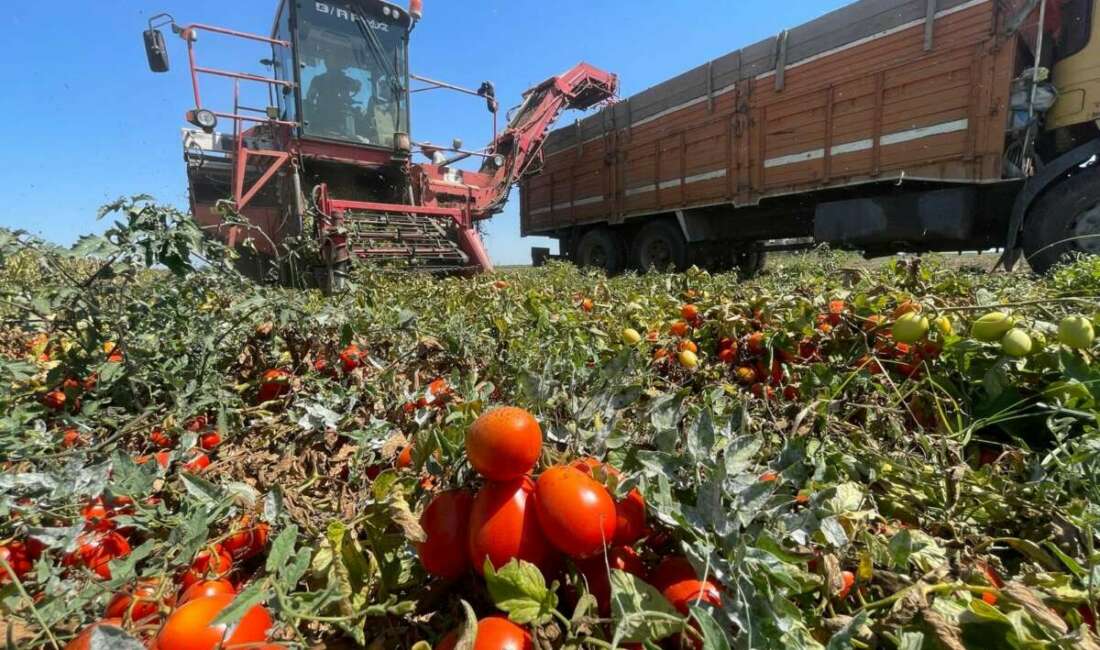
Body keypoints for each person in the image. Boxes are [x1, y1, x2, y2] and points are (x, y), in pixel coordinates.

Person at [305, 61, 362, 138]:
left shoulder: (345, 81)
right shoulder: (319, 80)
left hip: (334, 119)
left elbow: (310, 97)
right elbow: (310, 98)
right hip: (325, 119)